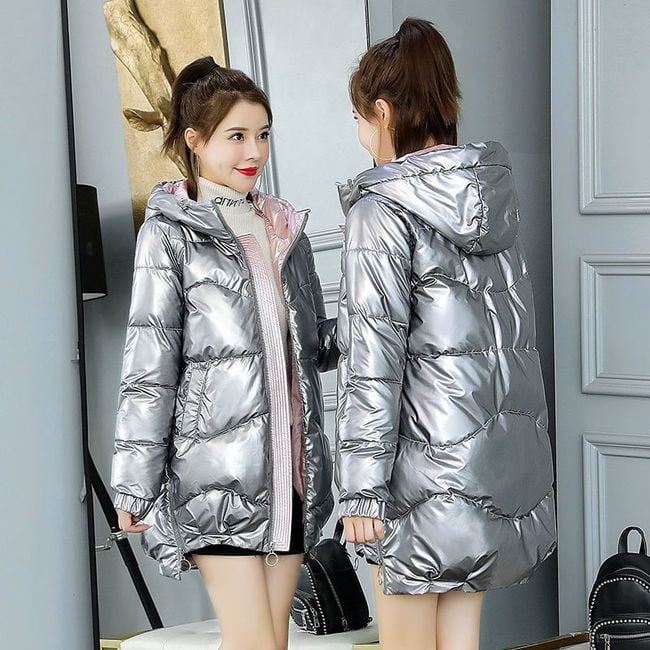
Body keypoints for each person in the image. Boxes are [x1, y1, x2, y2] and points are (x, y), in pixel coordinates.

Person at [335, 18, 557, 650]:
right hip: (486, 465)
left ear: (382, 112)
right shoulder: (489, 197)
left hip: (416, 472)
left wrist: (362, 490)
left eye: (359, 120)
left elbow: (372, 364)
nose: (361, 137)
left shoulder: (381, 209)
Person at [111, 56, 337, 650]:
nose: (254, 151)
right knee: (253, 643)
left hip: (292, 474)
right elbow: (149, 365)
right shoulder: (170, 234)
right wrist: (133, 482)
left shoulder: (285, 229)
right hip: (214, 473)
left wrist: (381, 320)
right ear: (195, 140)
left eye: (262, 134)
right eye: (236, 136)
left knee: (271, 643)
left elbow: (313, 346)